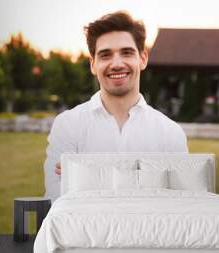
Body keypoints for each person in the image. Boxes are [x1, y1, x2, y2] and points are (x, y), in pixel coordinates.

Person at [44, 11, 188, 202]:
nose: (117, 64)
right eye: (105, 55)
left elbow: (180, 205)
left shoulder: (170, 133)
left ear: (142, 59)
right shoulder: (67, 126)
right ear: (93, 64)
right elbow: (58, 202)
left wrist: (86, 177)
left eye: (126, 53)